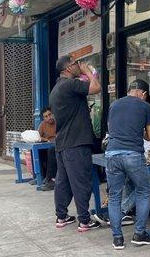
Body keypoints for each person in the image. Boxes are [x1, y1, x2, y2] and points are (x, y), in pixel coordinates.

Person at [49, 55, 101, 232]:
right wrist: (88, 72)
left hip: (63, 143)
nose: (79, 65)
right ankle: (84, 220)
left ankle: (61, 216)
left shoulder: (56, 88)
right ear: (68, 68)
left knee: (63, 182)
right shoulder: (70, 84)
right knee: (81, 181)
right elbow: (96, 87)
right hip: (76, 142)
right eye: (75, 63)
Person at [106, 79, 150, 250]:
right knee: (143, 191)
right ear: (143, 94)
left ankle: (117, 239)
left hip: (112, 153)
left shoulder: (114, 105)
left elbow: (111, 130)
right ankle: (139, 233)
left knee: (114, 196)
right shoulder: (144, 107)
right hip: (133, 154)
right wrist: (140, 131)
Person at [38, 107, 57, 191]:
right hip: (48, 144)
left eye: (50, 114)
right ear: (43, 118)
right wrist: (47, 140)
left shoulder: (58, 121)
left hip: (60, 144)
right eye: (46, 116)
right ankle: (41, 176)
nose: (49, 117)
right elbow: (38, 136)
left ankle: (50, 178)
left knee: (51, 150)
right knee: (38, 151)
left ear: (53, 113)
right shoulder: (43, 124)